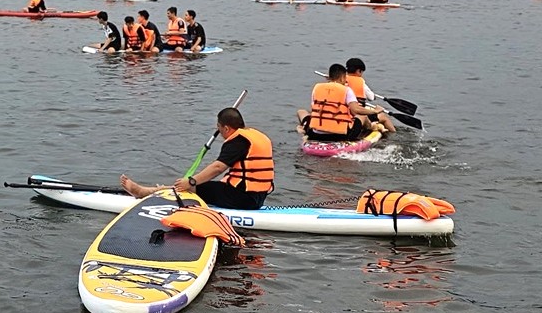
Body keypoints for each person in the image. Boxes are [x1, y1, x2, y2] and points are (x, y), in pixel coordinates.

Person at [119, 107, 275, 210]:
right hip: (258, 197)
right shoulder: (257, 135)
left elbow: (218, 168)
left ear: (226, 128)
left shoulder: (237, 141)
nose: (220, 133)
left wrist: (191, 181)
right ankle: (158, 189)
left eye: (220, 129)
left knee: (188, 187)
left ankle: (145, 192)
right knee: (207, 186)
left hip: (243, 199)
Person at [295, 64, 388, 141]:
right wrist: (375, 111)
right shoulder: (347, 90)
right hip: (340, 135)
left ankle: (303, 129)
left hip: (315, 134)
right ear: (343, 77)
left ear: (329, 76)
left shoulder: (317, 88)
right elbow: (356, 110)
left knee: (301, 112)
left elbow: (314, 109)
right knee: (362, 116)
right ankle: (369, 130)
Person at [342, 57, 397, 133]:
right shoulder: (361, 82)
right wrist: (373, 96)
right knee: (383, 117)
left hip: (342, 112)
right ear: (358, 71)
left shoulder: (340, 80)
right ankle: (394, 134)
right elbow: (371, 97)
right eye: (361, 72)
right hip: (356, 115)